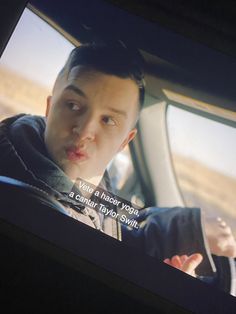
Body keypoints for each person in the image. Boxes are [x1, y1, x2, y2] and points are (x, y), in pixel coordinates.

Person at [0, 43, 234, 278]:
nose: (84, 132)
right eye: (73, 105)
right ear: (49, 109)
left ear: (125, 140)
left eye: (108, 120)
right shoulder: (33, 211)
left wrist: (193, 229)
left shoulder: (86, 187)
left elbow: (118, 225)